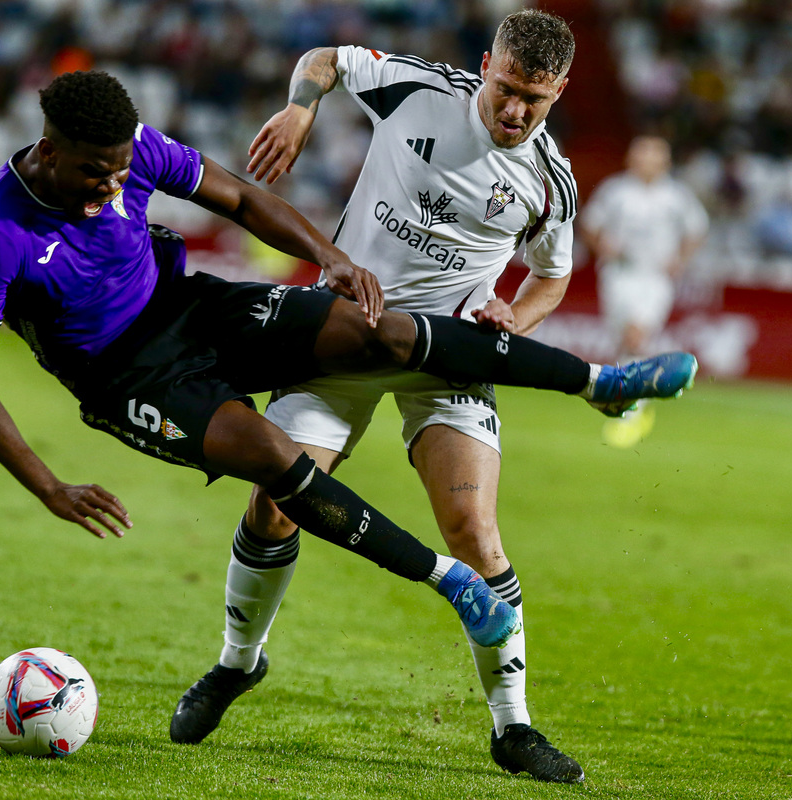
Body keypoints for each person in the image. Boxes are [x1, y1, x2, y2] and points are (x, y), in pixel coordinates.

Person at [0, 69, 698, 754]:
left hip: (191, 308)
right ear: (50, 149)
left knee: (383, 328)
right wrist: (49, 487)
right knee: (273, 466)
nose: (111, 188)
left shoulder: (134, 147)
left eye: (120, 172)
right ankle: (443, 582)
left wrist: (327, 257)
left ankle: (599, 382)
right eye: (95, 175)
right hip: (124, 376)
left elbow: (236, 197)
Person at [168, 10, 686, 784]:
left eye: (535, 101)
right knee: (273, 501)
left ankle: (513, 729)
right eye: (507, 89)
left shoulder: (551, 182)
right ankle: (238, 663)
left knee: (475, 535)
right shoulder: (416, 90)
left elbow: (554, 273)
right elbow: (326, 56)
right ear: (487, 65)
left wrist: (516, 313)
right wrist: (300, 108)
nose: (516, 112)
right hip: (340, 337)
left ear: (561, 92)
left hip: (444, 361)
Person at [580, 135, 708, 449]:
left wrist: (680, 259)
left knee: (637, 335)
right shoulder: (615, 191)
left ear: (665, 162)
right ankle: (629, 398)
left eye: (653, 155)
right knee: (625, 340)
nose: (645, 160)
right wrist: (602, 246)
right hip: (617, 275)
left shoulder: (676, 196)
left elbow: (697, 229)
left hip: (654, 278)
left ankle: (633, 411)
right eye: (641, 154)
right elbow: (589, 224)